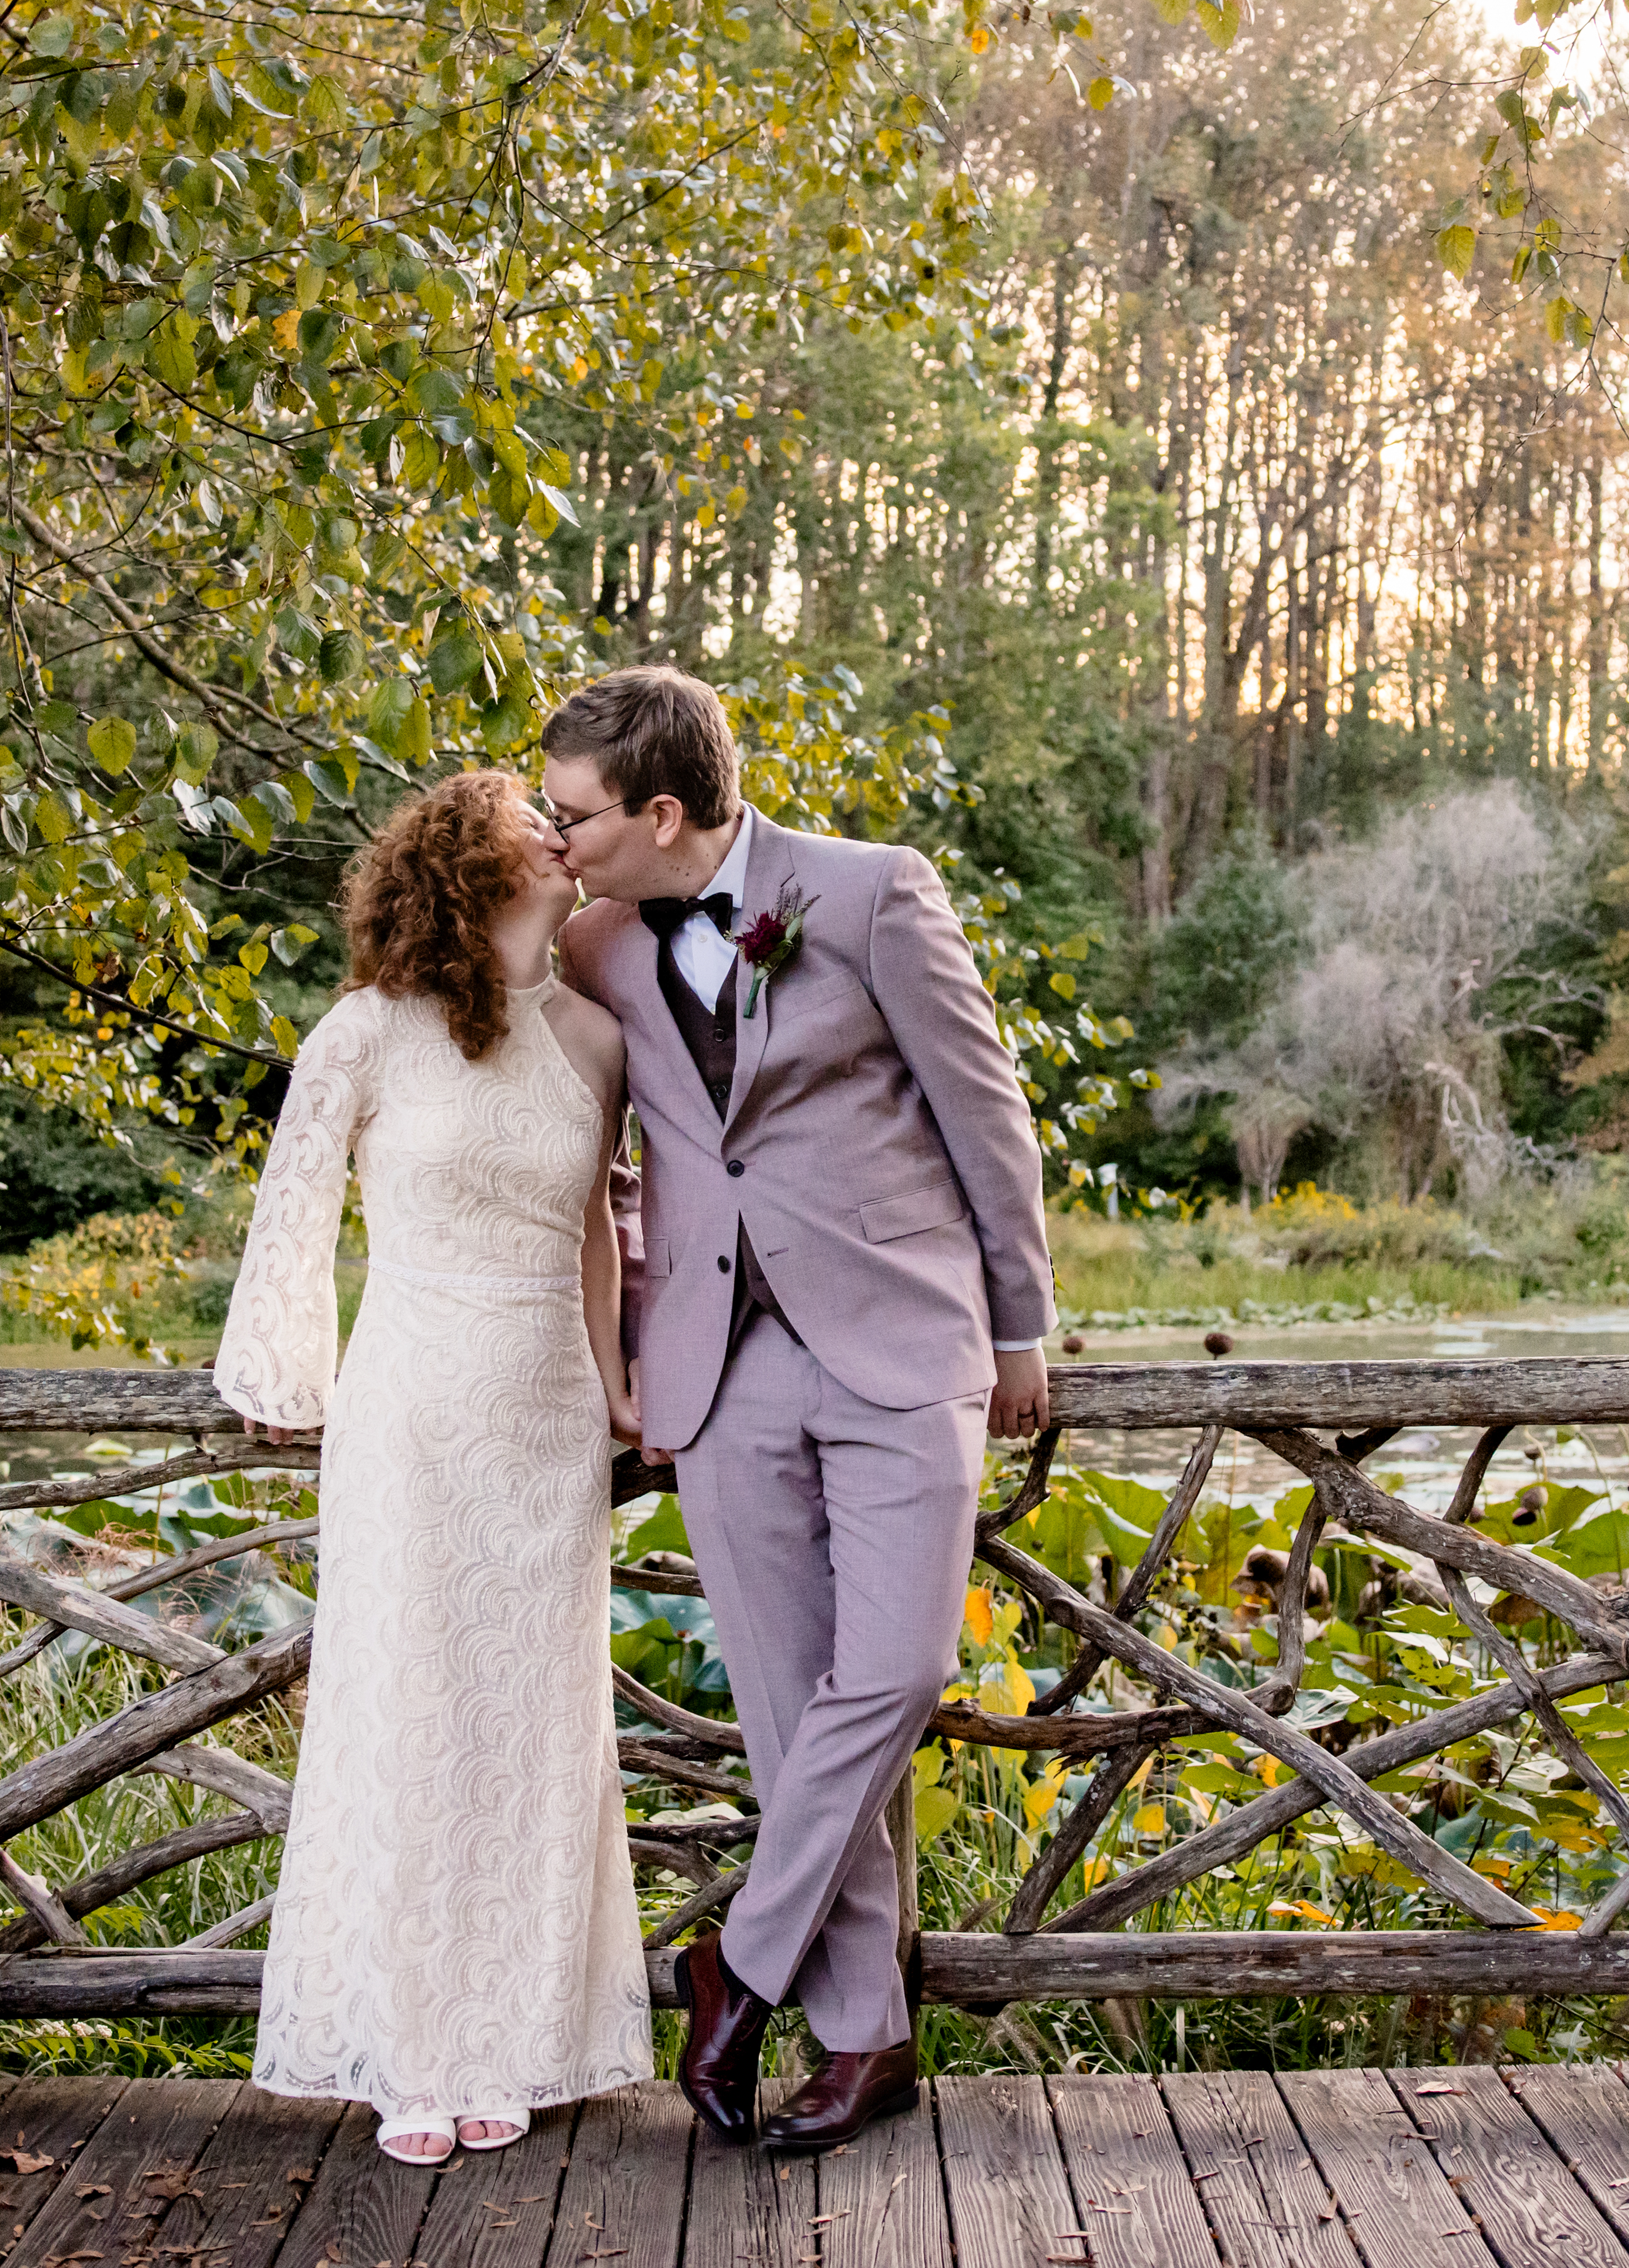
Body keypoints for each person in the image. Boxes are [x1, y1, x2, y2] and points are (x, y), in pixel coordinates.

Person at [541, 666, 1054, 2154]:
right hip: (715, 1366)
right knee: (786, 1716)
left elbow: (984, 1111)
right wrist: (622, 1341)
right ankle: (863, 2045)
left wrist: (1020, 1323)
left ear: (659, 810)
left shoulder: (873, 894)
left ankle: (734, 1963)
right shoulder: (594, 949)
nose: (554, 833)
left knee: (889, 1679)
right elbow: (598, 1149)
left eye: (573, 813)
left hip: (904, 1341)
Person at [211, 769, 655, 2169]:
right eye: (531, 817)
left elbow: (594, 1228)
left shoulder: (596, 1036)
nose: (557, 830)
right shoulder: (369, 1029)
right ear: (463, 861)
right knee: (408, 1716)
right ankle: (411, 2047)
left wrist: (621, 1381)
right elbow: (292, 1200)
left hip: (546, 1415)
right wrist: (285, 1372)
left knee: (535, 1732)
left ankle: (513, 2041)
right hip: (407, 1412)